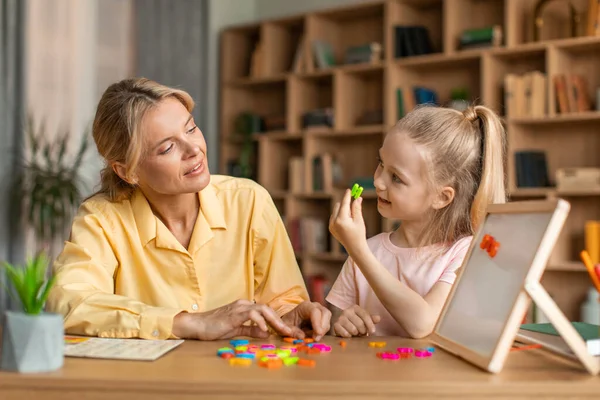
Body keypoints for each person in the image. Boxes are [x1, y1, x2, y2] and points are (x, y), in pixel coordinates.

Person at [46, 78, 331, 341]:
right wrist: (189, 323)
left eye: (191, 128)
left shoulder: (250, 202)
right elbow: (69, 301)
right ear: (127, 171)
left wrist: (289, 316)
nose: (193, 148)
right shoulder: (102, 219)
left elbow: (284, 302)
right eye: (167, 148)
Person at [327, 104, 506, 338]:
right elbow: (334, 324)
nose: (379, 182)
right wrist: (342, 323)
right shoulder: (366, 250)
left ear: (441, 197)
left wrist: (358, 250)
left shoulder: (463, 252)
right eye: (381, 163)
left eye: (396, 178)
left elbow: (422, 323)